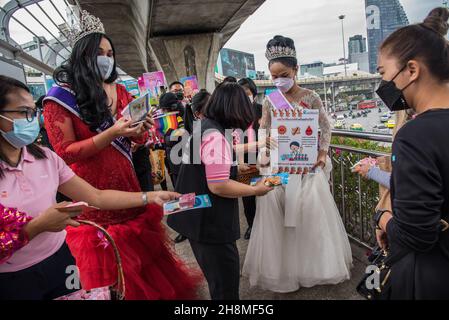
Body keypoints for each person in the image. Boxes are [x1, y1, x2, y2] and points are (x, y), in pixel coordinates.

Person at [42, 10, 199, 300]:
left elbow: (134, 140)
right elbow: (65, 153)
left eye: (110, 52)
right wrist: (112, 133)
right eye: (99, 52)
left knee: (147, 272)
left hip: (128, 185)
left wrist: (139, 130)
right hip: (92, 196)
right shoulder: (60, 97)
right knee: (107, 279)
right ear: (82, 55)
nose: (107, 58)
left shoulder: (121, 90)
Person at [0, 75, 182, 300]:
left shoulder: (45, 158)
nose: (31, 120)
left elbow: (96, 196)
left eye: (32, 112)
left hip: (61, 261)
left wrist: (149, 196)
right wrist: (37, 226)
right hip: (12, 279)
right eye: (22, 112)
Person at [242, 35, 352, 293]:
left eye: (283, 74)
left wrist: (323, 154)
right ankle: (286, 271)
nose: (278, 80)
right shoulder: (271, 100)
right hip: (279, 166)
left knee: (307, 218)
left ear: (295, 70)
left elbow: (325, 127)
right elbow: (263, 128)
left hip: (306, 167)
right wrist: (265, 144)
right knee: (281, 219)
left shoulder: (311, 96)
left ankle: (309, 268)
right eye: (274, 76)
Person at [167, 82, 273, 300]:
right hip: (209, 223)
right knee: (225, 287)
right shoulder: (215, 135)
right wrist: (256, 190)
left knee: (218, 281)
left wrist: (235, 167)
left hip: (191, 214)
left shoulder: (204, 126)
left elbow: (206, 165)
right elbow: (218, 185)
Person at [373, 7, 449, 300]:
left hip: (430, 277)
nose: (383, 84)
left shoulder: (414, 137)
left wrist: (382, 218)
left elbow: (417, 234)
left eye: (383, 73)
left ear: (412, 70)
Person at [236, 77, 263, 240]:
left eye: (247, 93)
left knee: (268, 188)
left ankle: (268, 223)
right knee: (248, 195)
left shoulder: (262, 109)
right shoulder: (234, 114)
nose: (245, 97)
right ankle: (252, 224)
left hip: (264, 157)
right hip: (245, 158)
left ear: (253, 92)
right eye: (241, 94)